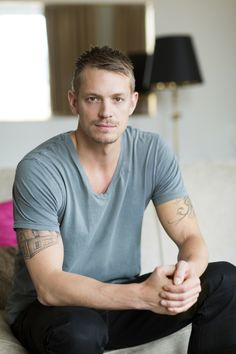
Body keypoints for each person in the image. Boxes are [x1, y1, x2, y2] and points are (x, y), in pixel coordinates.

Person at [7, 46, 236, 354]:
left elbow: (191, 237)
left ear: (132, 102)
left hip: (122, 299)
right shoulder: (40, 169)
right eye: (93, 99)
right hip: (52, 310)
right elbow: (49, 286)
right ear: (74, 101)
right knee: (81, 331)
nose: (106, 112)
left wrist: (188, 275)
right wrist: (142, 296)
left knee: (224, 278)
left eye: (117, 99)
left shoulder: (152, 152)